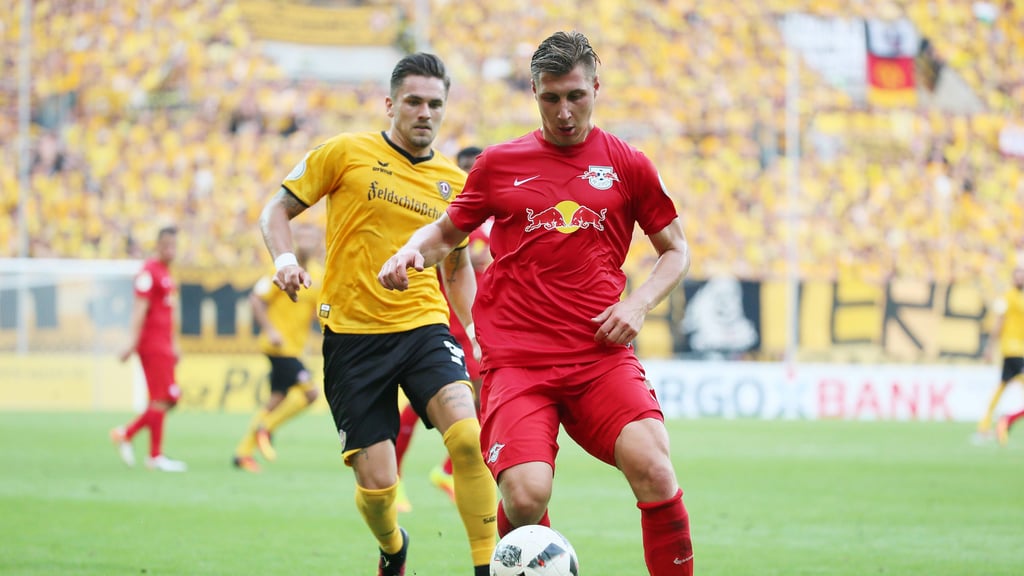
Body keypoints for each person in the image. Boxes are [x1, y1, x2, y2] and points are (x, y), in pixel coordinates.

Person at [379, 31, 694, 575]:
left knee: (656, 469)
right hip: (519, 363)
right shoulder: (500, 164)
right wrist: (410, 252)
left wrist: (638, 304)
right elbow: (446, 232)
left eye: (576, 96)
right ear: (534, 92)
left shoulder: (629, 164)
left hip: (599, 357)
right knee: (525, 497)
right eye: (551, 98)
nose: (565, 112)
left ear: (596, 86)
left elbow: (676, 251)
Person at [257, 53, 497, 576]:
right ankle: (393, 547)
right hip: (352, 337)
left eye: (436, 104)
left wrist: (476, 328)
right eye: (413, 101)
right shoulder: (345, 153)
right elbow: (275, 208)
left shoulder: (455, 183)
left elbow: (456, 267)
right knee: (378, 488)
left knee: (468, 435)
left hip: (423, 326)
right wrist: (284, 260)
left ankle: (487, 564)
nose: (425, 112)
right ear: (390, 104)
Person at [394, 146, 490, 509]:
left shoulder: (493, 219)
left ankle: (448, 470)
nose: (468, 176)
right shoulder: (446, 214)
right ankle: (397, 478)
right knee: (427, 400)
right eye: (463, 169)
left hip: (477, 322)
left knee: (481, 398)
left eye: (474, 169)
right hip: (444, 320)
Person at [232, 223, 323, 473]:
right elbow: (256, 298)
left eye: (311, 235)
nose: (306, 240)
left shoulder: (318, 276)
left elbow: (318, 312)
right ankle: (267, 427)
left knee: (276, 399)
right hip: (278, 347)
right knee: (310, 393)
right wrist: (271, 330)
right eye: (302, 233)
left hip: (295, 348)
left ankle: (242, 453)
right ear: (295, 239)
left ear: (319, 243)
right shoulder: (281, 268)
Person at [110, 225, 187, 473]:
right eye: (166, 246)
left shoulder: (166, 273)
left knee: (164, 399)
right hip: (151, 344)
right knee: (166, 398)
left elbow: (169, 314)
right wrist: (132, 342)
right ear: (157, 246)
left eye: (174, 246)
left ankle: (147, 449)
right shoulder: (149, 272)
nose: (171, 251)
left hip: (164, 344)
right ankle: (134, 440)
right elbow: (139, 308)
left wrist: (174, 344)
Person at [976, 266, 1024, 443]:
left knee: (1001, 387)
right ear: (1013, 279)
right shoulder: (1007, 297)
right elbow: (998, 323)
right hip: (1012, 350)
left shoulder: (1020, 297)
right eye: (1018, 276)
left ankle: (984, 424)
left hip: (1020, 350)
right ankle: (1005, 420)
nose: (1020, 280)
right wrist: (990, 347)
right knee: (1003, 387)